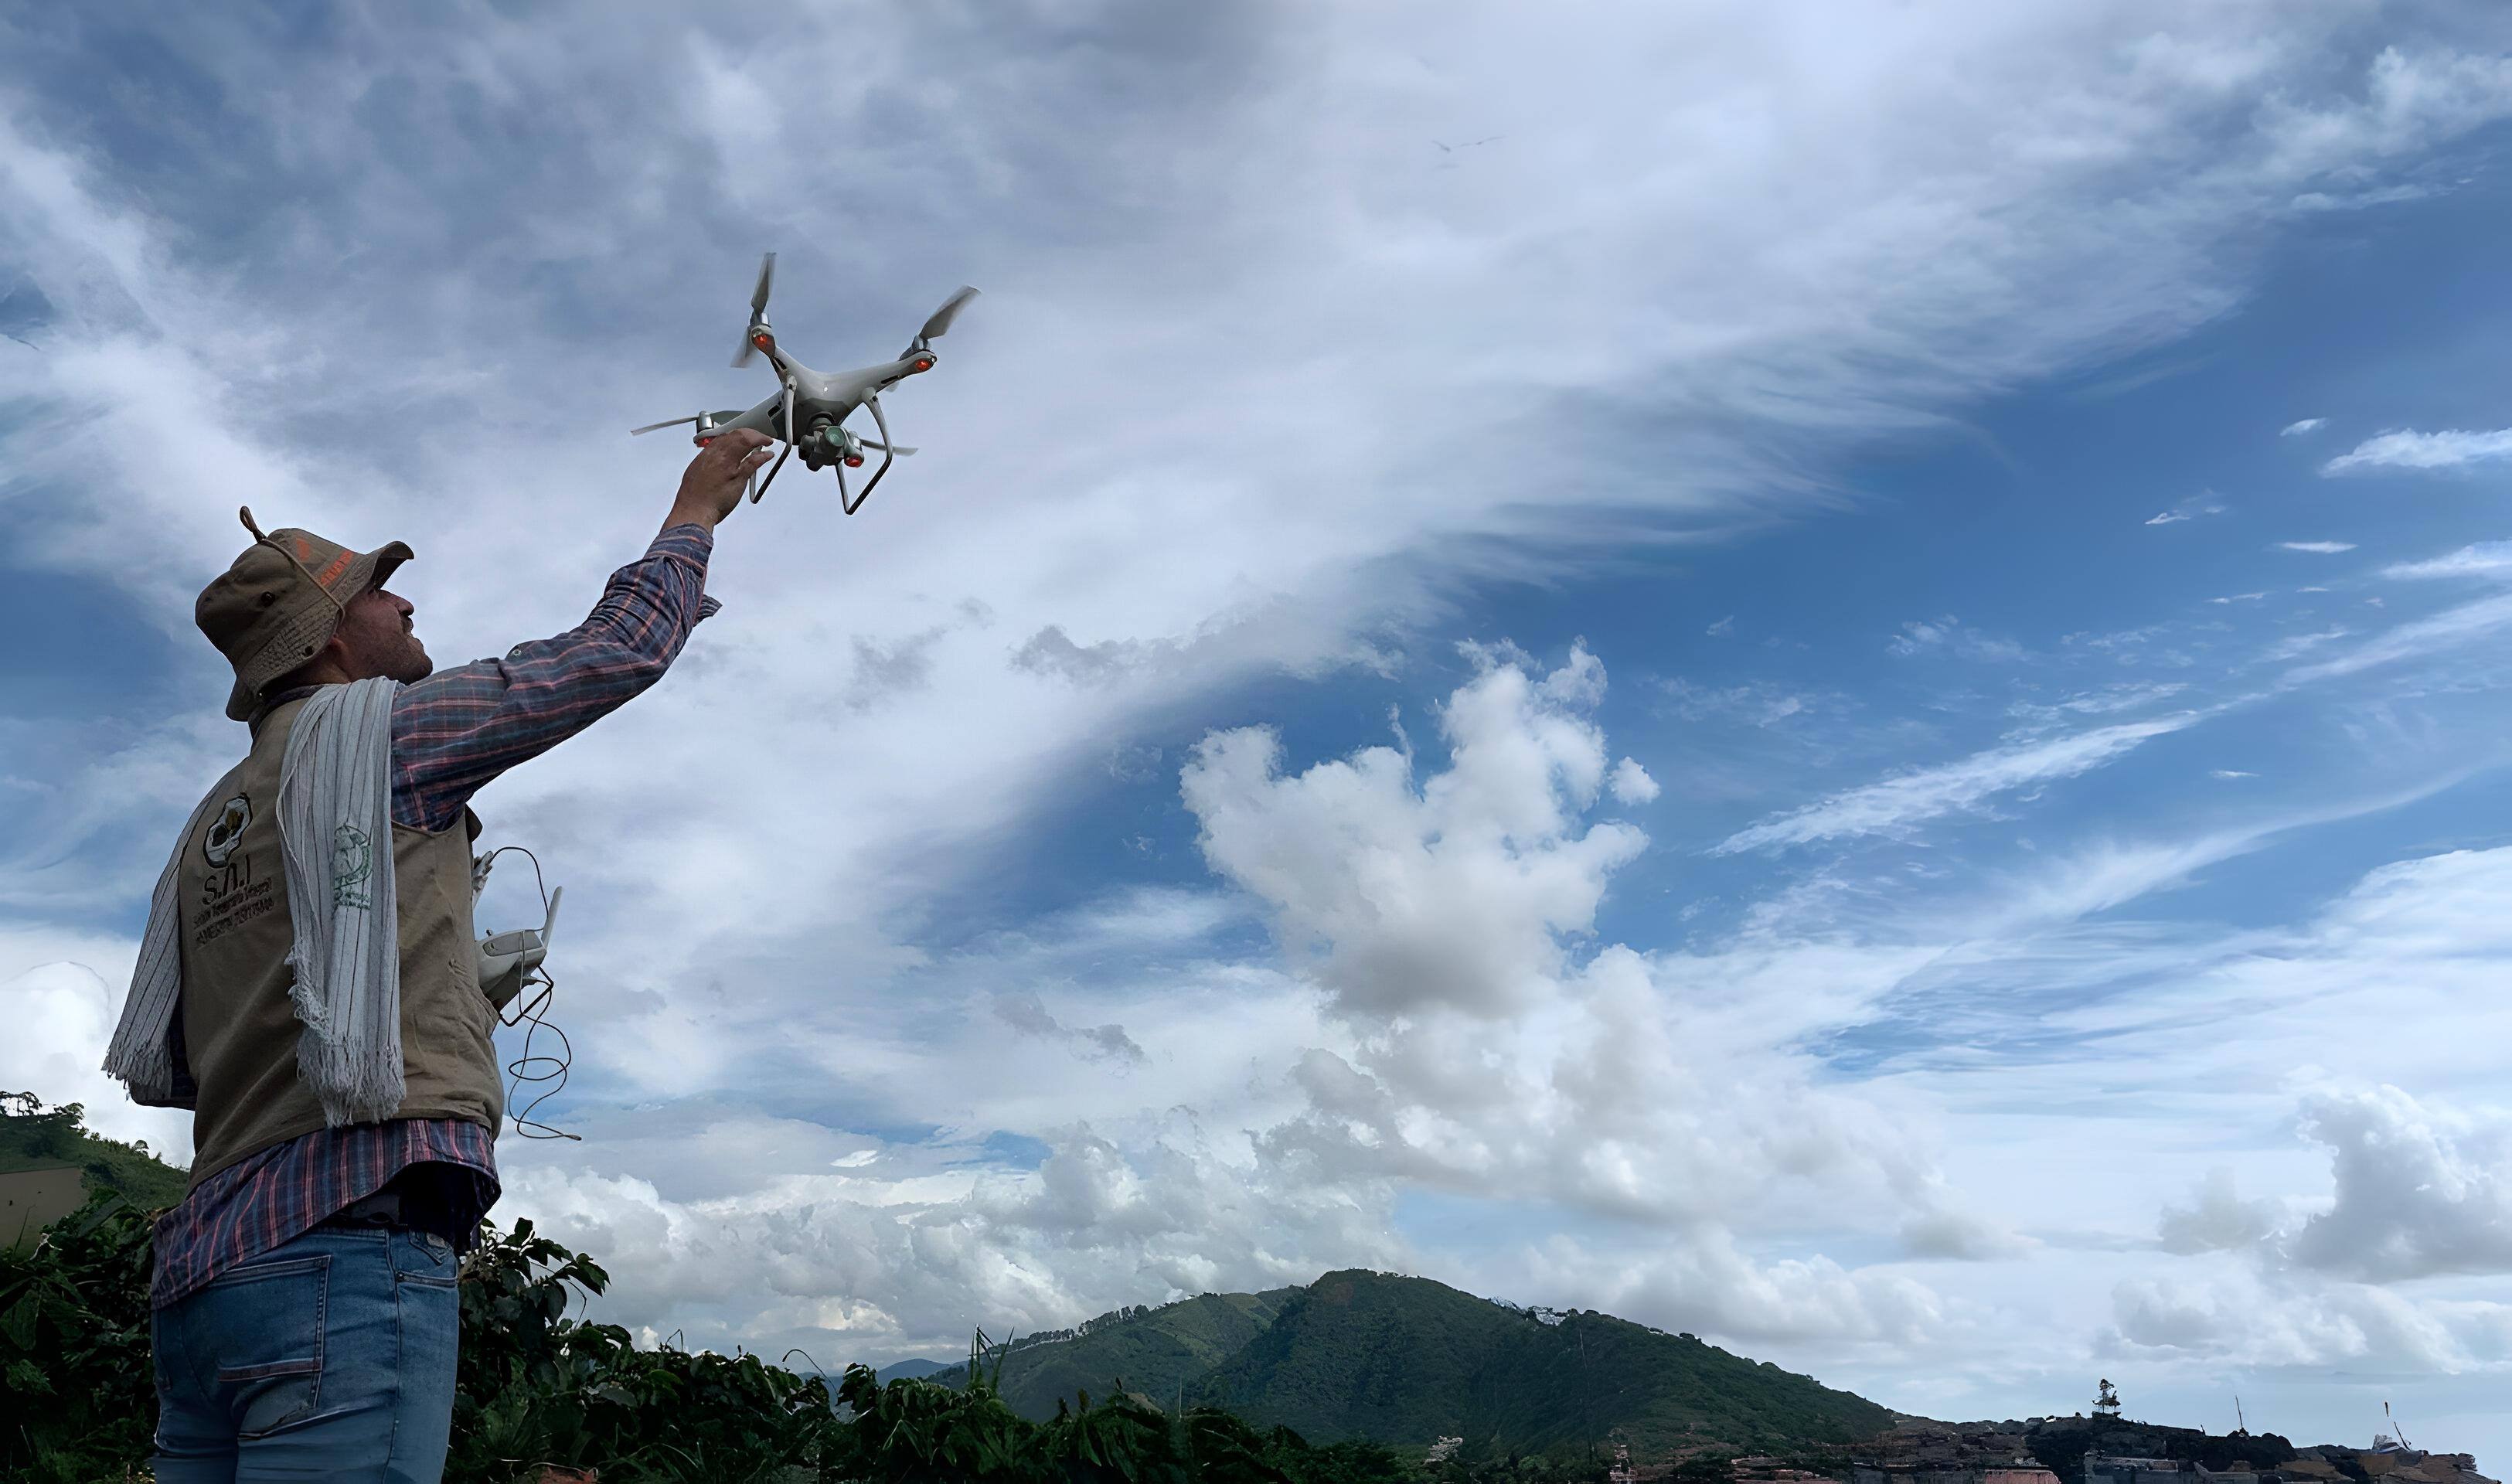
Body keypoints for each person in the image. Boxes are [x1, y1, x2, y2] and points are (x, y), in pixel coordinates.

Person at [107, 428, 774, 1482]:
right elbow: (613, 653)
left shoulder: (208, 834)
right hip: (340, 1255)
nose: (404, 601)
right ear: (328, 635)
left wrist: (446, 986)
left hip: (205, 1287)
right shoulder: (387, 738)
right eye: (377, 591)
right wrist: (695, 511)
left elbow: (219, 1050)